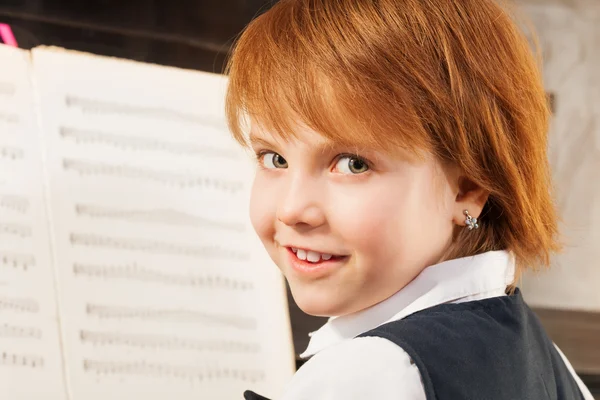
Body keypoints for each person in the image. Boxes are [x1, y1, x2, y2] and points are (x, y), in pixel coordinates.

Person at [224, 0, 595, 399]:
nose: (291, 209)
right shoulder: (546, 357)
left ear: (467, 190)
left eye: (352, 164)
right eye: (274, 158)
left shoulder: (369, 375)